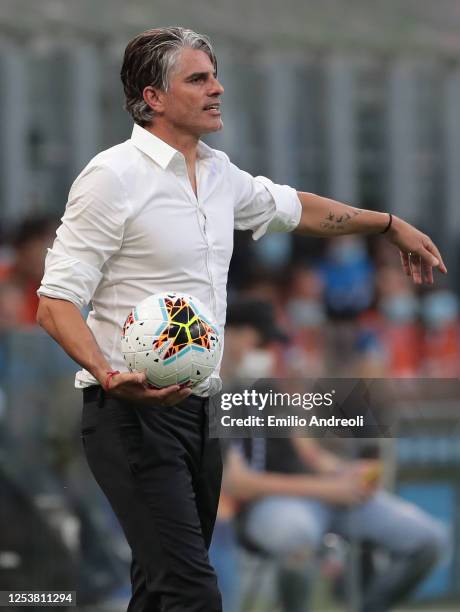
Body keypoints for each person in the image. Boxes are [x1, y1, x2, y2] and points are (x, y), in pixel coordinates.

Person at [36, 26, 446, 612]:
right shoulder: (112, 177)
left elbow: (296, 207)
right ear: (152, 96)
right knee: (192, 592)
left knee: (160, 592)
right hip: (131, 413)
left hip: (201, 411)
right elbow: (54, 304)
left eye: (216, 75)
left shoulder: (220, 173)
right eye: (198, 79)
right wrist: (106, 373)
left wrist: (386, 223)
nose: (217, 89)